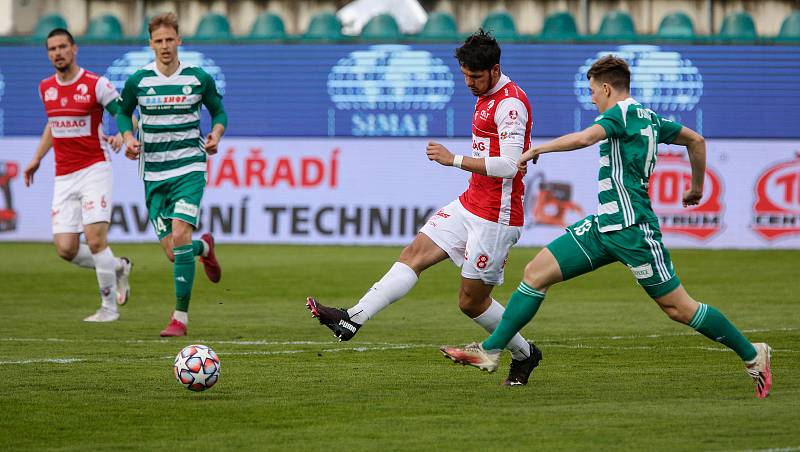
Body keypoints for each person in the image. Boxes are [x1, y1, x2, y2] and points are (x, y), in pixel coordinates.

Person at [440, 55, 772, 398]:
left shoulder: (620, 114)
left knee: (678, 308)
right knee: (536, 273)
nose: (593, 99)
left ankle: (752, 354)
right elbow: (696, 141)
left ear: (607, 87)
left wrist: (539, 148)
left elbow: (585, 138)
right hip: (605, 226)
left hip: (633, 230)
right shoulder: (651, 118)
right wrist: (697, 187)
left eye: (593, 92)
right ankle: (491, 350)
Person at [307, 30, 542, 386]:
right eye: (464, 75)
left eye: (475, 77)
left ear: (495, 70)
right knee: (415, 252)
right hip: (470, 203)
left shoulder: (511, 105)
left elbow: (511, 166)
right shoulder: (486, 95)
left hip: (497, 216)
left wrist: (454, 160)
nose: (469, 83)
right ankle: (352, 317)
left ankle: (525, 353)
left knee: (471, 303)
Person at [115, 12, 226, 337]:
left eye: (169, 39)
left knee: (179, 235)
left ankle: (180, 318)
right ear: (150, 44)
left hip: (190, 167)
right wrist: (128, 138)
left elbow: (218, 110)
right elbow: (123, 113)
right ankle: (204, 249)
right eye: (158, 41)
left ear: (179, 40)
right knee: (174, 251)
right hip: (154, 173)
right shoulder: (139, 81)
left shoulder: (198, 78)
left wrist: (216, 135)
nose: (164, 46)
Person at [24, 28, 133, 322]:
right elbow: (53, 125)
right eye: (52, 49)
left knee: (95, 239)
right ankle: (119, 267)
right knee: (65, 248)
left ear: (74, 49)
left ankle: (108, 308)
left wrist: (124, 136)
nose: (57, 53)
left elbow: (124, 112)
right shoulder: (45, 87)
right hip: (64, 176)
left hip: (95, 168)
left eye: (62, 47)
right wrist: (36, 159)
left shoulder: (96, 84)